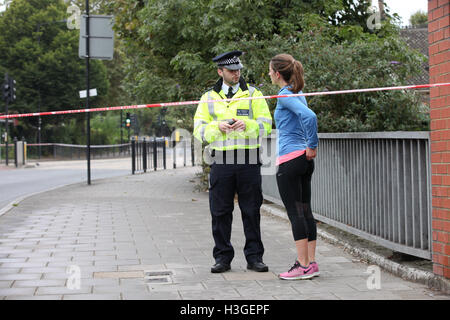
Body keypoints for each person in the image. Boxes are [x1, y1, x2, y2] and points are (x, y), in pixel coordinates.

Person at [193, 50, 273, 273]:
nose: (236, 73)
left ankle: (255, 258)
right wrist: (215, 128)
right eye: (231, 70)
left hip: (248, 161)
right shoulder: (208, 97)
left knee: (251, 211)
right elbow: (198, 131)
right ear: (220, 72)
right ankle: (222, 258)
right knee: (220, 212)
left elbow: (266, 125)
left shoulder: (254, 94)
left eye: (238, 70)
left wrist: (247, 125)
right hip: (222, 161)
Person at [268, 53, 319, 280]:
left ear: (277, 74)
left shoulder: (285, 95)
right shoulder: (299, 94)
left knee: (295, 214)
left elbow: (310, 117)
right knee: (306, 211)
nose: (269, 74)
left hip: (290, 161)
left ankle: (302, 265)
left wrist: (312, 144)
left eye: (270, 70)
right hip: (304, 161)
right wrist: (308, 149)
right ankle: (310, 264)